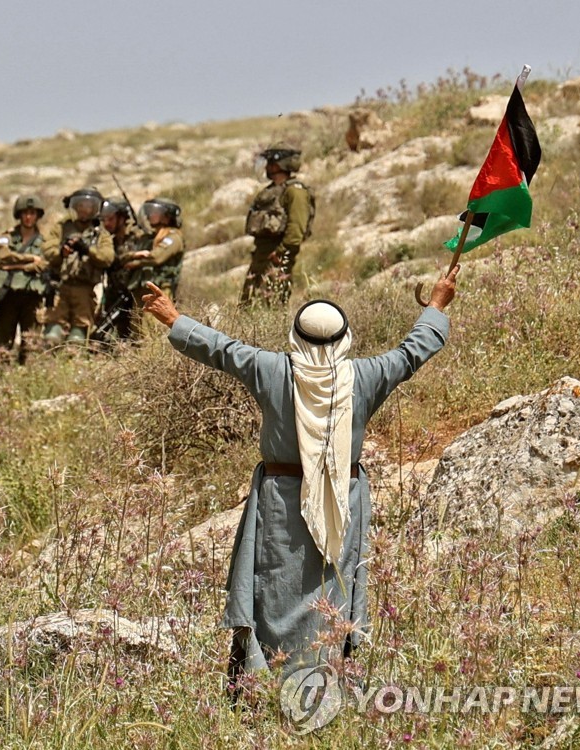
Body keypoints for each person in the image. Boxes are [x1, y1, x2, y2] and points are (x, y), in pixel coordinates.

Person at [142, 266, 459, 688]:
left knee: (275, 587)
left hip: (280, 497)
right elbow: (411, 351)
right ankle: (329, 680)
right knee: (334, 589)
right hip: (345, 498)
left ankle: (269, 678)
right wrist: (436, 303)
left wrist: (172, 316)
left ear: (296, 336)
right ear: (344, 338)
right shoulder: (366, 375)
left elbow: (219, 348)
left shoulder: (271, 368)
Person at [240, 142, 315, 306]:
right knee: (248, 305)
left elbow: (296, 231)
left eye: (270, 163)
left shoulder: (295, 191)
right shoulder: (272, 190)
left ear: (279, 164)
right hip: (261, 256)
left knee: (270, 305)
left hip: (276, 259)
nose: (267, 166)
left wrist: (279, 254)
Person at [42, 186, 115, 346]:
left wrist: (88, 250)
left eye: (89, 207)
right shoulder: (61, 228)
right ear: (75, 207)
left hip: (85, 289)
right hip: (60, 288)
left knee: (77, 339)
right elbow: (47, 250)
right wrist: (62, 253)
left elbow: (107, 257)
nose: (85, 210)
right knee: (52, 336)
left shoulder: (100, 234)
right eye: (81, 206)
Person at [0, 194, 49, 369]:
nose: (28, 217)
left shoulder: (45, 241)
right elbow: (3, 256)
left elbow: (46, 263)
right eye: (25, 213)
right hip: (8, 295)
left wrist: (19, 266)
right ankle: (1, 379)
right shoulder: (6, 236)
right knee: (3, 344)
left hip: (32, 296)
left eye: (32, 213)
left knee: (31, 342)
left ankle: (28, 378)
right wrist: (31, 259)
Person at [123, 197, 185, 337]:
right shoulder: (149, 237)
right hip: (143, 289)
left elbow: (157, 257)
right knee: (138, 329)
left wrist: (135, 262)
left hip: (160, 289)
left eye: (155, 212)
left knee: (154, 329)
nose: (151, 215)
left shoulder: (173, 237)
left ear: (167, 216)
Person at [96, 197, 140, 342]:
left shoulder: (137, 237)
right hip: (114, 295)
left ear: (121, 218)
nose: (107, 223)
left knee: (137, 336)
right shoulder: (108, 241)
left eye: (110, 219)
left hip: (134, 295)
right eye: (104, 220)